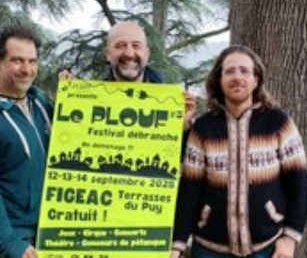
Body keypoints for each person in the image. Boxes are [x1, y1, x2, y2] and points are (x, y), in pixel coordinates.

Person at [170, 45, 307, 258]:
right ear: (219, 80)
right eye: (229, 71)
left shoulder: (279, 123)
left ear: (256, 80)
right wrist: (178, 243)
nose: (237, 77)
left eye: (244, 71)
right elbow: (190, 189)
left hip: (267, 248)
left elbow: (299, 185)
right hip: (209, 250)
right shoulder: (203, 128)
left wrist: (290, 238)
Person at [60, 21, 196, 130]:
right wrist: (70, 100)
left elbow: (177, 153)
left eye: (136, 46)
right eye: (120, 46)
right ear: (107, 54)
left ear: (147, 54)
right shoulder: (88, 103)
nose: (129, 54)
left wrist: (184, 128)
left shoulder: (168, 105)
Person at [0, 25, 53, 258]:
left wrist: (74, 92)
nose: (27, 69)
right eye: (17, 60)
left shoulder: (39, 103)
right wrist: (9, 243)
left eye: (32, 61)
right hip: (16, 241)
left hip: (49, 231)